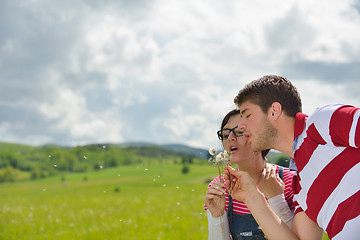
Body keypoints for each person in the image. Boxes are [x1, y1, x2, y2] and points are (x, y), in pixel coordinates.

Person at [225, 75, 360, 240]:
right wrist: (252, 197)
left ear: (274, 111)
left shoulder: (321, 123)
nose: (240, 126)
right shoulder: (301, 185)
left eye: (247, 115)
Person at [204, 109, 295, 240]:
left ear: (258, 136)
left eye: (239, 132)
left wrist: (277, 201)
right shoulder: (221, 187)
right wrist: (217, 217)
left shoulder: (291, 180)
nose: (230, 138)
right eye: (225, 135)